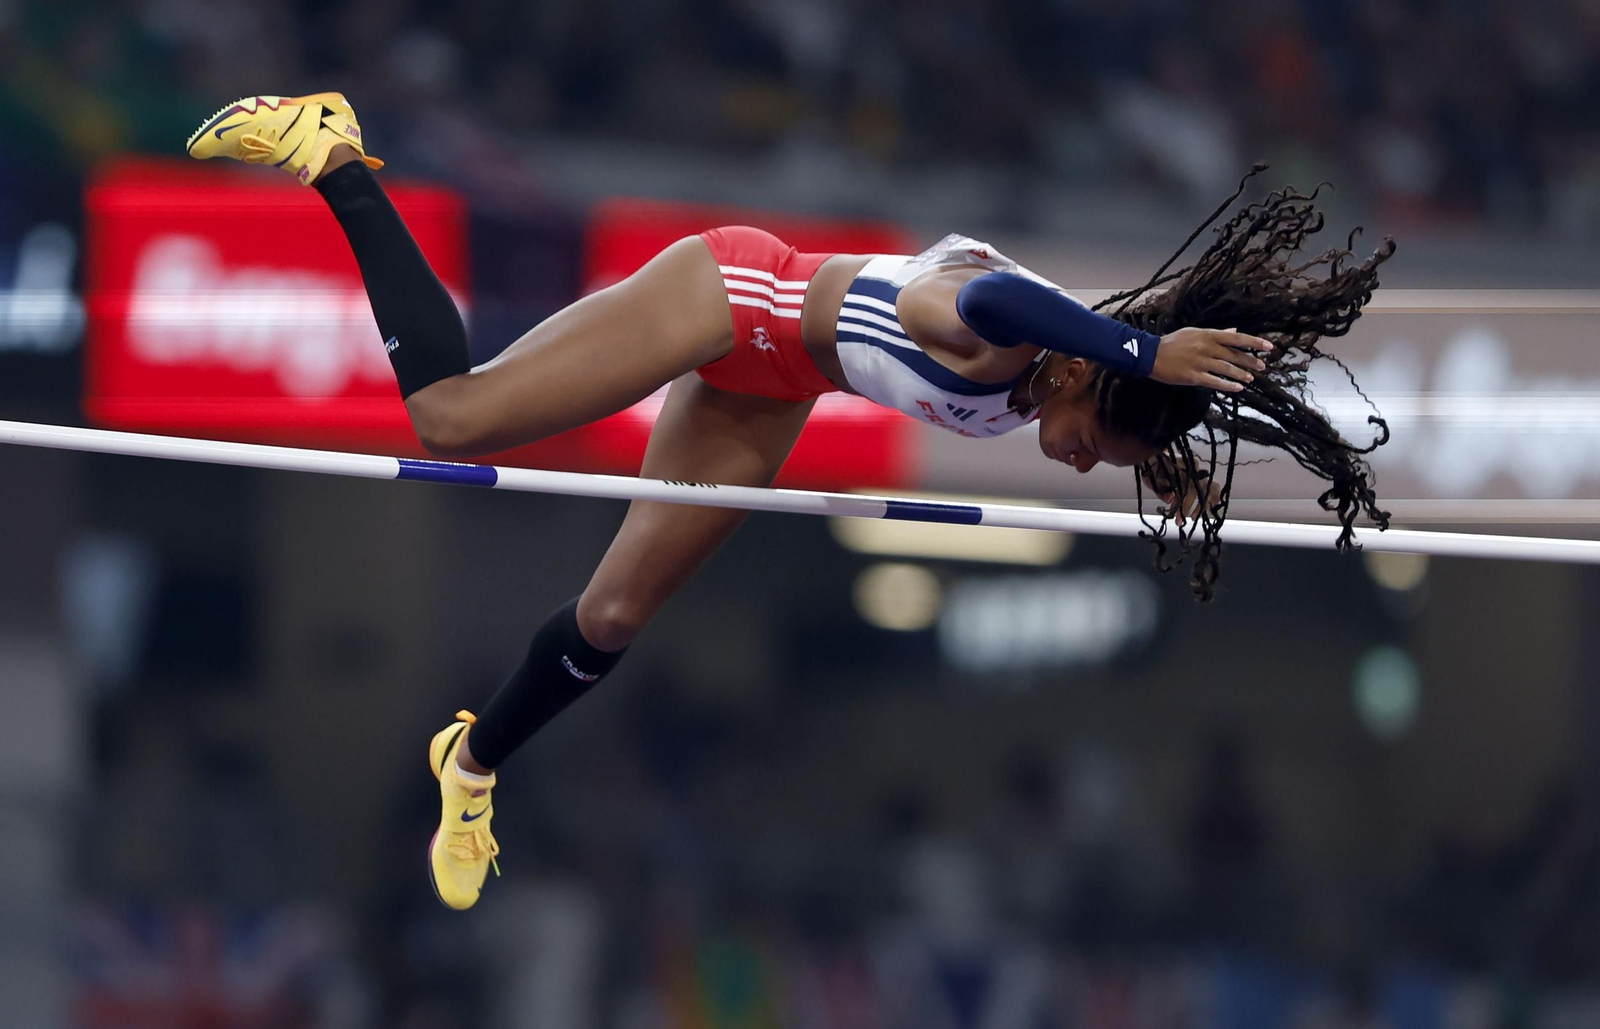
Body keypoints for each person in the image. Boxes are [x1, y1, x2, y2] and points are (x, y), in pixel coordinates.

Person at [187, 94, 1396, 910]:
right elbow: (994, 315)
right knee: (452, 417)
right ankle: (332, 151)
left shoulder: (1086, 376)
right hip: (728, 295)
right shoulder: (985, 320)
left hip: (771, 391)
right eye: (1089, 440)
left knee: (611, 621)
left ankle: (473, 763)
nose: (1075, 459)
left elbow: (1127, 399)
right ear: (1086, 368)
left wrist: (1177, 438)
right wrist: (1140, 366)